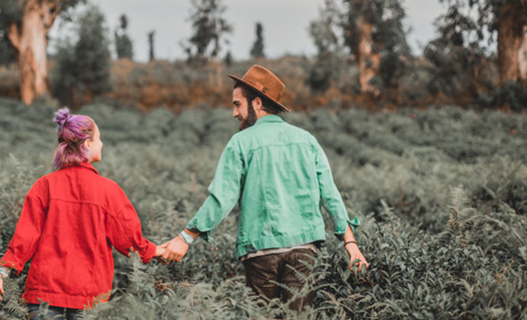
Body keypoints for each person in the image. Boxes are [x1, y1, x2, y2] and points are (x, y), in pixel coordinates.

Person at [158, 65, 369, 313]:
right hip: (304, 250)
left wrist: (185, 238)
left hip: (261, 252)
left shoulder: (240, 143)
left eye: (237, 104)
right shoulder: (306, 140)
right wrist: (350, 244)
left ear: (257, 103)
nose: (233, 112)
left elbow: (222, 199)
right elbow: (330, 194)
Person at [0, 108, 165, 319]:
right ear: (87, 143)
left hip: (43, 294)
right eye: (99, 138)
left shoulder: (44, 186)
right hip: (89, 297)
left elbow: (25, 236)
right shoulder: (108, 190)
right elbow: (128, 241)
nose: (102, 144)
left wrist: (2, 271)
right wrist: (155, 251)